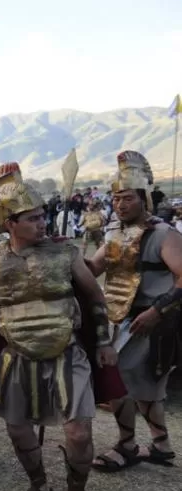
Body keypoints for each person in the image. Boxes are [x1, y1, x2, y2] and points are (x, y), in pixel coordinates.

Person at [0, 163, 122, 491]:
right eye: (32, 218)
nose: (42, 223)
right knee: (18, 431)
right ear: (9, 223)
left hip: (67, 352)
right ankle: (40, 489)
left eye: (42, 216)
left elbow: (95, 298)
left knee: (79, 433)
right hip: (16, 357)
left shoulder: (65, 254)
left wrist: (103, 342)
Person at [86, 151, 182, 472]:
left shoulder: (164, 234)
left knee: (126, 381)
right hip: (121, 319)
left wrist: (158, 310)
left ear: (143, 198)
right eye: (115, 199)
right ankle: (161, 445)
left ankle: (127, 445)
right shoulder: (115, 234)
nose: (120, 205)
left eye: (127, 198)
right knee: (142, 385)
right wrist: (66, 261)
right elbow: (93, 270)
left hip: (154, 319)